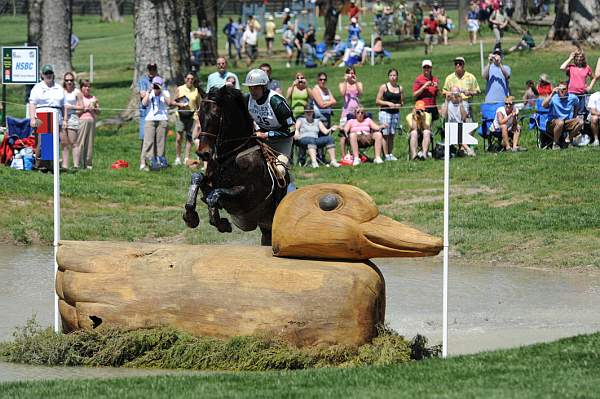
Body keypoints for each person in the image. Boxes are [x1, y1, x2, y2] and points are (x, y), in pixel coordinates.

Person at [244, 69, 295, 159]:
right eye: (250, 88)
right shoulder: (247, 99)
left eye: (256, 87)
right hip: (260, 138)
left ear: (264, 87)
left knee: (280, 169)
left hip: (282, 140)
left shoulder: (277, 102)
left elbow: (291, 129)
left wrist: (267, 134)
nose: (253, 91)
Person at [28, 64, 65, 170]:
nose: (48, 75)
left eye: (50, 73)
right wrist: (32, 118)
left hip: (56, 115)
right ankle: (41, 166)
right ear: (42, 75)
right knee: (43, 141)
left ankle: (52, 165)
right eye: (46, 73)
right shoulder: (38, 87)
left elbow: (63, 105)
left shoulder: (58, 87)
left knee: (54, 141)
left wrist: (64, 119)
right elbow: (32, 103)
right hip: (42, 115)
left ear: (53, 74)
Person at [140, 76, 172, 171]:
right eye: (155, 85)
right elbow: (144, 103)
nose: (156, 87)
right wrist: (149, 92)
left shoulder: (165, 92)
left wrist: (161, 92)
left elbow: (169, 103)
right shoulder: (149, 92)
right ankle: (143, 162)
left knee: (160, 143)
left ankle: (159, 161)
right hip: (150, 119)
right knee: (148, 142)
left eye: (158, 85)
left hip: (162, 119)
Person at [542, 82, 582, 149]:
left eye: (564, 89)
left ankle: (568, 140)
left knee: (581, 122)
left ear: (567, 90)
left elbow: (577, 105)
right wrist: (552, 93)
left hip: (566, 122)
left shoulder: (573, 97)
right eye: (560, 89)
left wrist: (575, 116)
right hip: (552, 123)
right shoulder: (554, 98)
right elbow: (544, 105)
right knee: (560, 122)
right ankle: (555, 144)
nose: (562, 91)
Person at [376, 68, 403, 161]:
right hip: (385, 113)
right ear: (388, 77)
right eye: (391, 75)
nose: (393, 77)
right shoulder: (384, 87)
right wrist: (388, 103)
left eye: (394, 75)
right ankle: (386, 154)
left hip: (395, 114)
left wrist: (399, 105)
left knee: (392, 134)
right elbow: (377, 101)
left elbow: (402, 102)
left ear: (397, 76)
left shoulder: (400, 88)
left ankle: (390, 153)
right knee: (385, 134)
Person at [441, 86, 475, 156]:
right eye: (453, 94)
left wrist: (460, 103)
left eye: (457, 94)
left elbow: (463, 117)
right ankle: (467, 149)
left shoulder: (464, 103)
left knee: (469, 123)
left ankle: (463, 148)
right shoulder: (446, 103)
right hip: (450, 127)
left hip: (461, 126)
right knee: (456, 129)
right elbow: (444, 116)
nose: (455, 96)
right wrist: (446, 101)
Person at [174, 72, 199, 166]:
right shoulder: (180, 89)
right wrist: (179, 104)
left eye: (192, 79)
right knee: (178, 138)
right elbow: (173, 101)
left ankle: (186, 158)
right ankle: (178, 158)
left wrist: (197, 116)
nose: (190, 80)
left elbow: (198, 105)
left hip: (191, 116)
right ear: (185, 79)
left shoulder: (196, 90)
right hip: (180, 115)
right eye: (188, 78)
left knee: (189, 138)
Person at [61, 71, 83, 170]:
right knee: (64, 143)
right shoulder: (61, 91)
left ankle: (76, 165)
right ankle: (65, 165)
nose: (69, 82)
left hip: (73, 117)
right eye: (67, 80)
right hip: (62, 118)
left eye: (71, 80)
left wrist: (71, 107)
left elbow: (82, 107)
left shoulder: (77, 92)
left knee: (74, 142)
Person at [338, 66, 363, 153]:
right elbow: (342, 93)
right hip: (346, 111)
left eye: (353, 73)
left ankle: (355, 153)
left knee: (355, 133)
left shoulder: (358, 83)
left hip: (356, 112)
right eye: (349, 73)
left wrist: (355, 82)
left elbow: (360, 93)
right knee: (343, 134)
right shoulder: (342, 84)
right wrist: (345, 81)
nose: (351, 75)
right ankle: (343, 155)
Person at [77, 79, 100, 169]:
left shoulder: (93, 98)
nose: (87, 88)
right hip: (82, 121)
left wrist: (95, 108)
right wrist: (85, 109)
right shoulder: (79, 97)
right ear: (81, 87)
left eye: (88, 86)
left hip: (92, 121)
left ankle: (88, 164)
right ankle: (77, 163)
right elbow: (76, 111)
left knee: (89, 144)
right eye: (85, 86)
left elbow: (99, 112)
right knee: (80, 143)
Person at [137, 63, 158, 141]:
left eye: (153, 70)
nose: (151, 71)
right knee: (144, 136)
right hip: (145, 110)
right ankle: (144, 153)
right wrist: (151, 89)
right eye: (150, 70)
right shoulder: (143, 81)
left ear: (156, 70)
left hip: (156, 110)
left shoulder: (159, 80)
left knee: (156, 136)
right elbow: (142, 95)